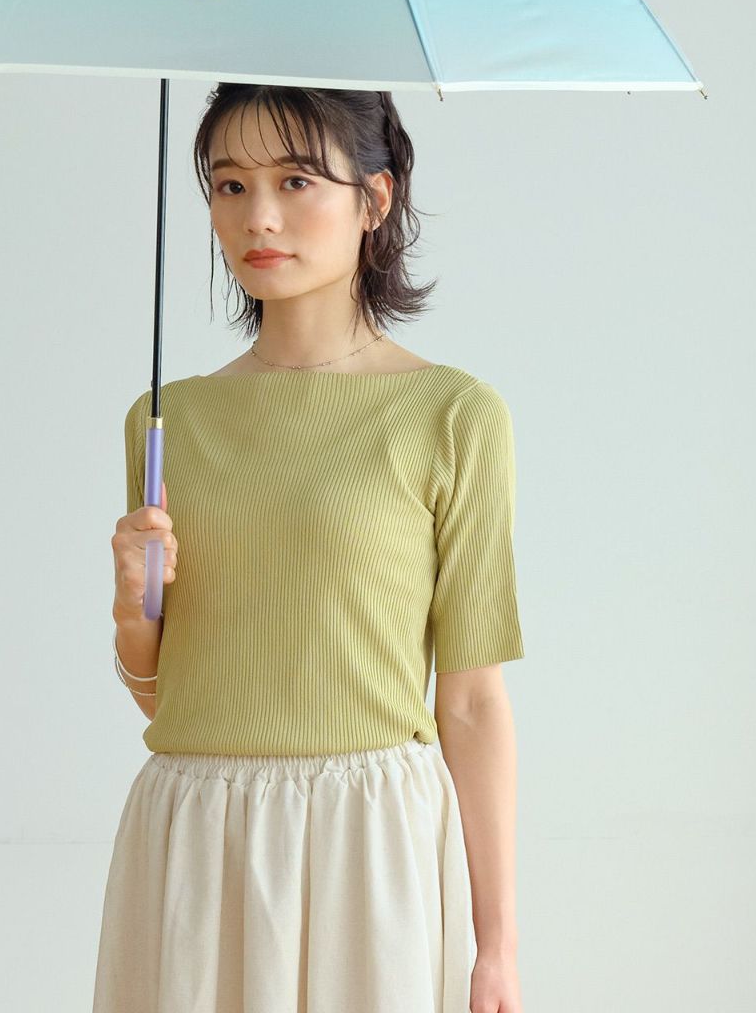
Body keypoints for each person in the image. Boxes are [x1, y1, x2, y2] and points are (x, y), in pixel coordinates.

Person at [93, 85, 526, 1013]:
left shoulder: (453, 416)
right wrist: (133, 606)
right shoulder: (167, 421)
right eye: (230, 185)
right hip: (196, 830)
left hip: (368, 840)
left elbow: (472, 702)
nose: (259, 217)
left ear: (375, 198)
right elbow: (166, 691)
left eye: (295, 181)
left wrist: (498, 948)